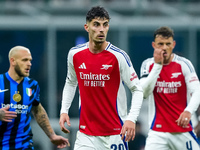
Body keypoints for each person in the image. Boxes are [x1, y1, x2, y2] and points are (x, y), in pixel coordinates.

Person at [59, 6, 143, 150]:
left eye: (105, 25)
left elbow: (137, 89)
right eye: (96, 25)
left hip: (115, 133)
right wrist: (64, 110)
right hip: (86, 134)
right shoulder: (75, 54)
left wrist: (131, 119)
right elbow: (71, 82)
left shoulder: (118, 56)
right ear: (87, 27)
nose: (101, 29)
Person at [140, 26, 200, 150]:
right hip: (157, 132)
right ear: (153, 45)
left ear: (173, 44)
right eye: (160, 44)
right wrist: (157, 66)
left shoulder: (184, 64)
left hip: (183, 131)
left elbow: (197, 91)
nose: (164, 48)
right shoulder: (148, 64)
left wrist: (188, 111)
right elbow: (144, 93)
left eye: (168, 44)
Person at [0, 46, 70, 149]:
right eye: (24, 60)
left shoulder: (32, 85)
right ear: (12, 61)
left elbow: (38, 110)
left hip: (24, 144)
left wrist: (52, 135)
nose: (29, 64)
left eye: (30, 60)